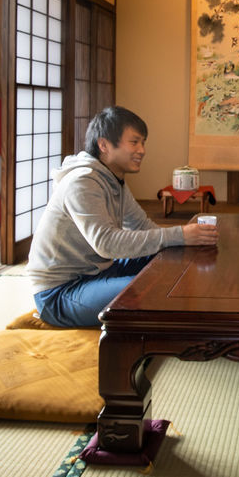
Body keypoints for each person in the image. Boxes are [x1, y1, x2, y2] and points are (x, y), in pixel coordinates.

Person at [28, 105, 218, 327]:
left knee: (172, 256)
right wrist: (180, 235)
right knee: (152, 289)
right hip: (61, 292)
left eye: (143, 143)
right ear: (104, 145)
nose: (142, 150)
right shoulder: (82, 181)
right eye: (134, 142)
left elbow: (141, 225)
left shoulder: (113, 179)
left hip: (100, 271)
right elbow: (106, 243)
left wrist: (183, 240)